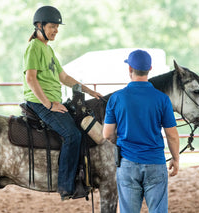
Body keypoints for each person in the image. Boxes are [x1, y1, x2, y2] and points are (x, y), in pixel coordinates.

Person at [23, 5, 102, 200]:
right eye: (52, 27)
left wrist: (89, 90)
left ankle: (80, 175)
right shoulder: (34, 47)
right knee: (72, 135)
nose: (56, 30)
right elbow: (31, 79)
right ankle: (66, 186)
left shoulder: (48, 50)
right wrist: (49, 104)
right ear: (40, 26)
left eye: (57, 27)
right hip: (40, 102)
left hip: (51, 101)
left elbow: (64, 77)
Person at [103, 49, 180, 213]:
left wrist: (121, 143)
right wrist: (175, 158)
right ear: (150, 69)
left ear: (130, 69)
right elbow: (172, 135)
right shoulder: (162, 99)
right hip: (156, 163)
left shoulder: (116, 98)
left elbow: (107, 134)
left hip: (127, 163)